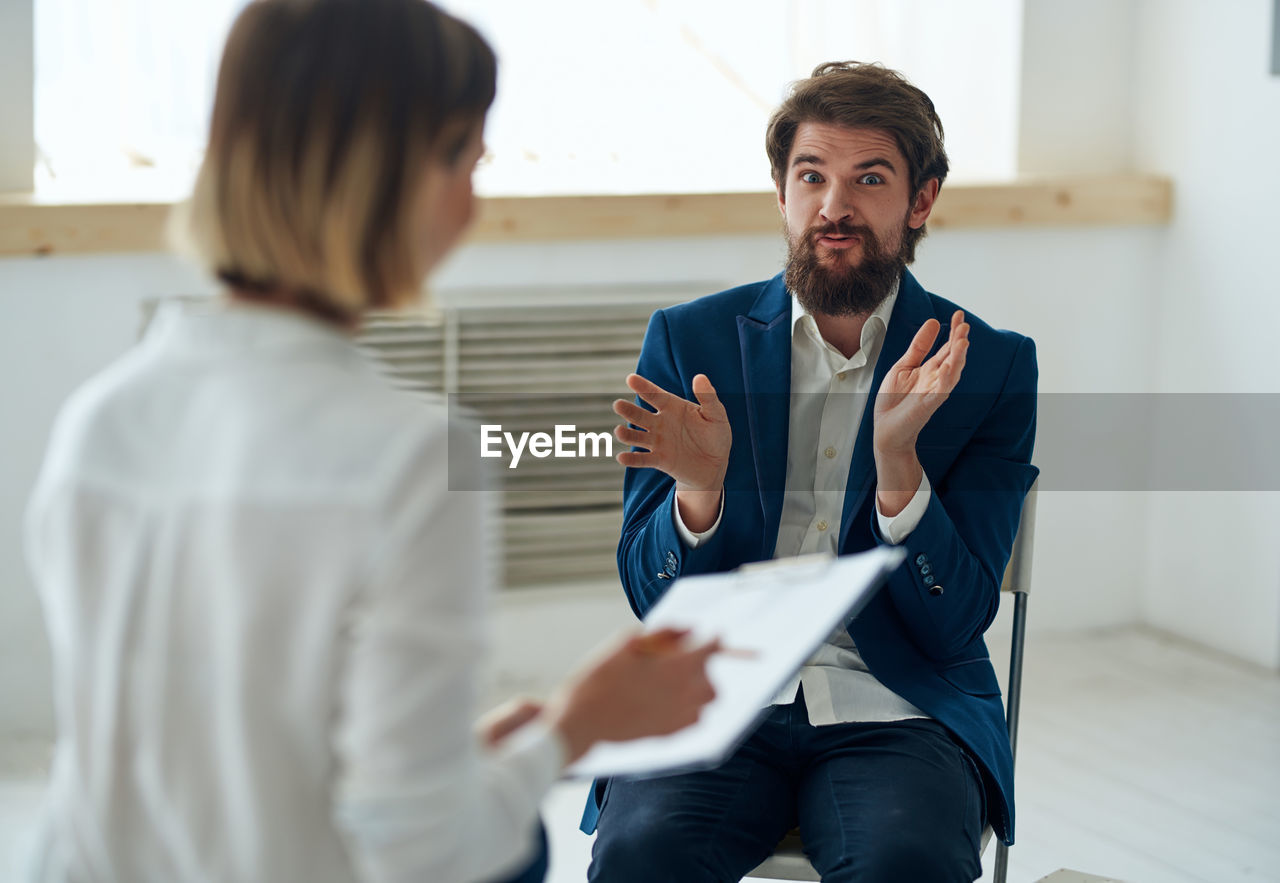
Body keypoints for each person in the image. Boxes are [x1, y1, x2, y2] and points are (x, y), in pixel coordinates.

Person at [20, 2, 721, 881]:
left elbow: (203, 743)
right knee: (521, 840)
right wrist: (577, 726)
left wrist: (459, 750)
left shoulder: (101, 418)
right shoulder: (409, 458)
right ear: (394, 176)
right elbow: (423, 851)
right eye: (468, 157)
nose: (475, 198)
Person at [581, 62, 1039, 882]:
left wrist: (899, 468)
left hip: (900, 705)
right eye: (811, 176)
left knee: (909, 861)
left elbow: (958, 616)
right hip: (716, 691)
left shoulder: (990, 368)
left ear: (921, 200)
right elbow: (652, 598)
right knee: (639, 855)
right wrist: (699, 493)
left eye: (869, 179)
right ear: (782, 193)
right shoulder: (693, 341)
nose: (835, 206)